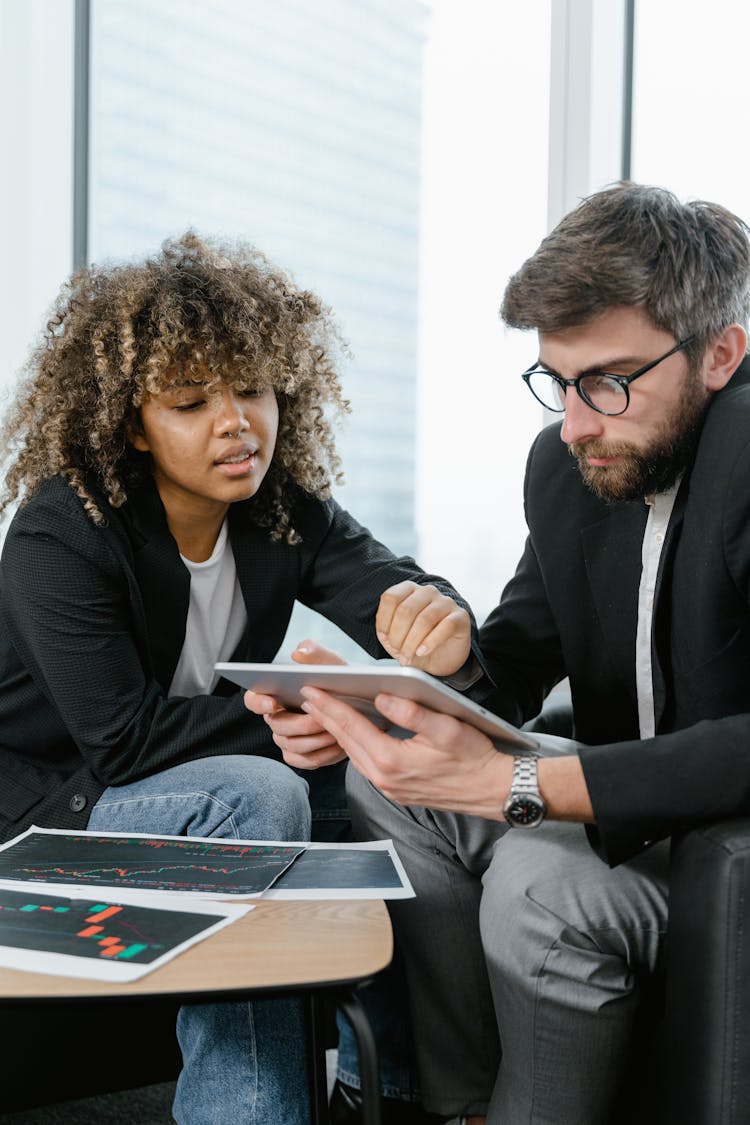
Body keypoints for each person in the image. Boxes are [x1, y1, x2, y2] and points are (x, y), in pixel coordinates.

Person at [259, 183, 750, 1124]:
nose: (574, 423)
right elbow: (514, 665)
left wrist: (516, 785)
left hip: (726, 848)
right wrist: (413, 682)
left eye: (607, 381)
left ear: (720, 354)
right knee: (387, 783)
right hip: (633, 817)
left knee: (537, 880)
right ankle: (458, 1103)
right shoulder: (572, 469)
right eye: (558, 382)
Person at [0, 232, 476, 1125]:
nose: (236, 422)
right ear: (131, 422)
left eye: (253, 389)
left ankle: (411, 1094)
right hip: (50, 814)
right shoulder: (58, 531)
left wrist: (440, 624)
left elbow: (400, 590)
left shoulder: (283, 512)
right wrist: (292, 717)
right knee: (259, 793)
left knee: (404, 769)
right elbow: (122, 741)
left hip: (191, 795)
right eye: (190, 400)